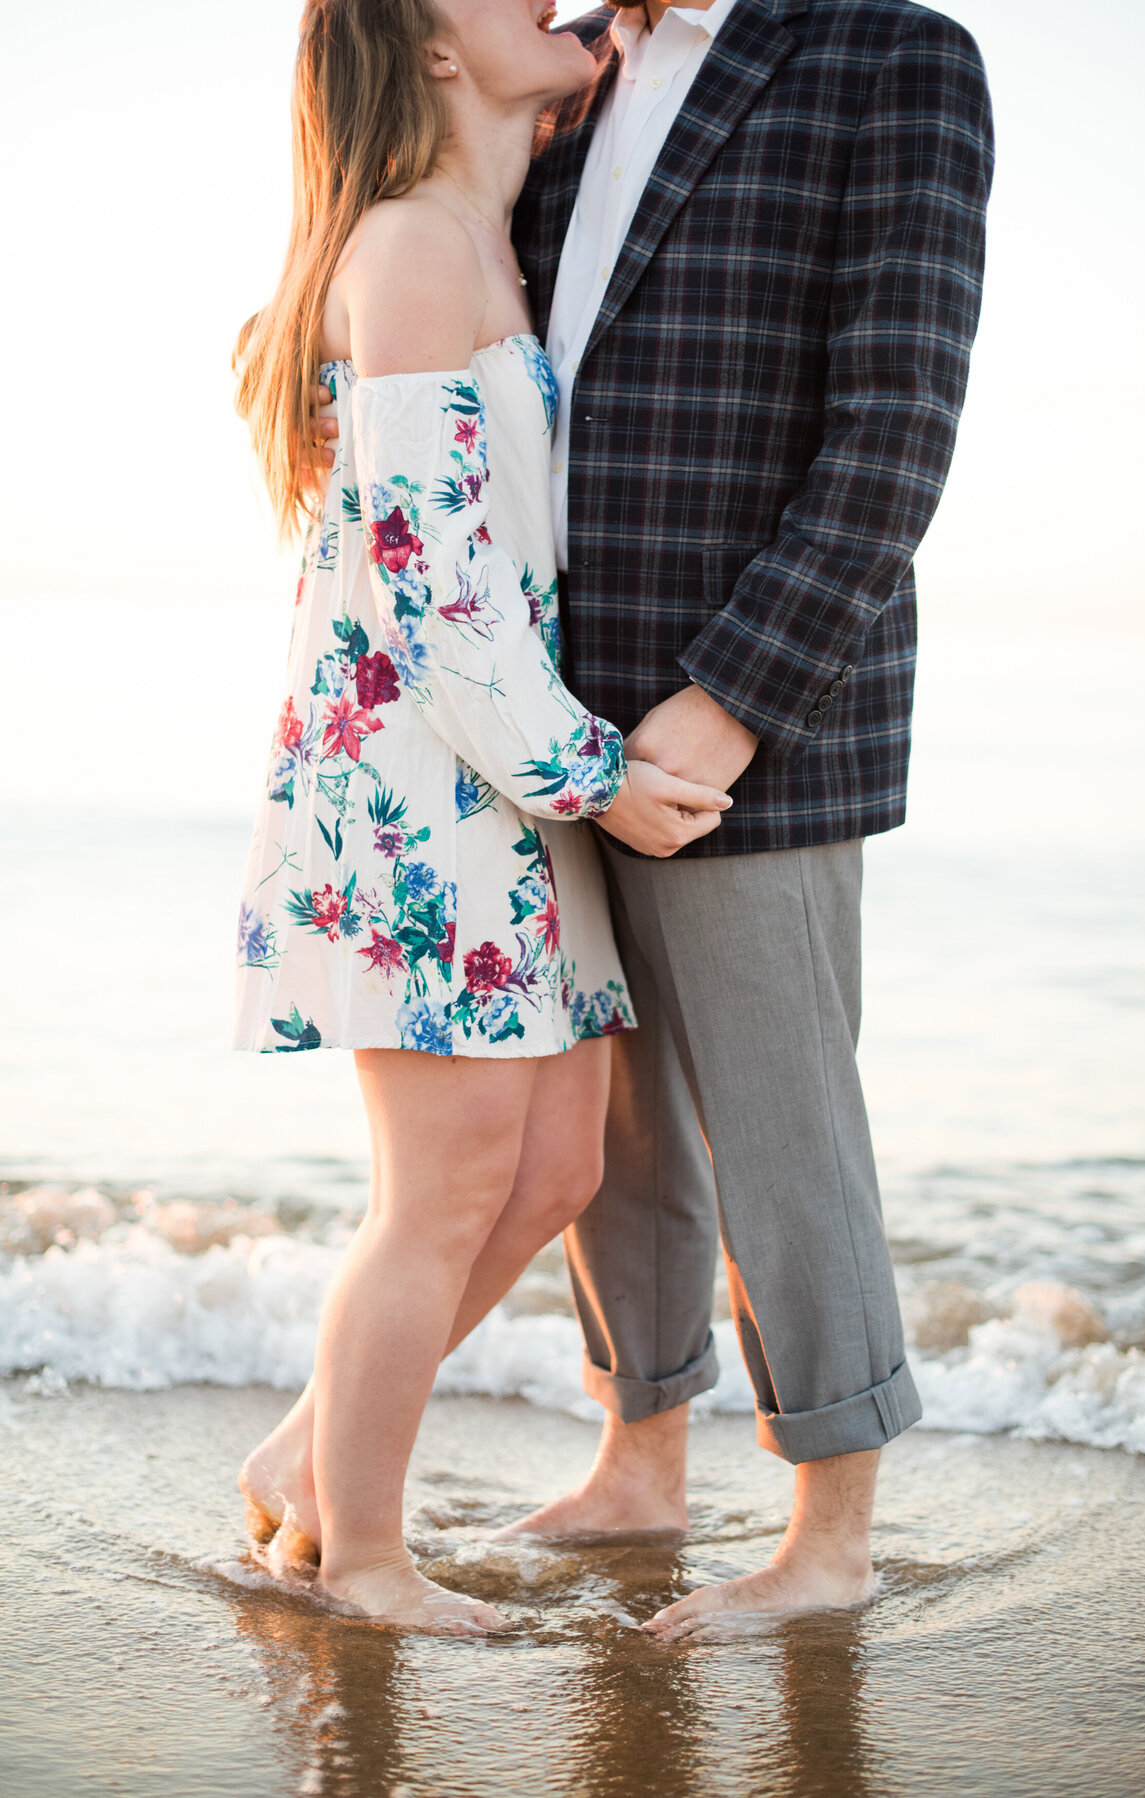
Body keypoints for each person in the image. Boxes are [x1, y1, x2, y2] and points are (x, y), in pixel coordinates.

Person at [310, 0, 993, 1641]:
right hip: (542, 733)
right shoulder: (574, 81)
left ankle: (829, 1537)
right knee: (615, 1144)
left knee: (781, 1121)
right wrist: (555, 738)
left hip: (738, 722)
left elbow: (893, 427)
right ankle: (643, 1461)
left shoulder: (891, 58)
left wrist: (735, 695)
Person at [231, 0, 732, 1636]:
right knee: (441, 1193)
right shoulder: (415, 252)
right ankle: (364, 1559)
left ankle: (310, 1452)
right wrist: (602, 777)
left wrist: (572, 781)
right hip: (426, 789)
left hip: (511, 785)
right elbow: (441, 598)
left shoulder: (489, 238)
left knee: (558, 1164)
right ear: (430, 49)